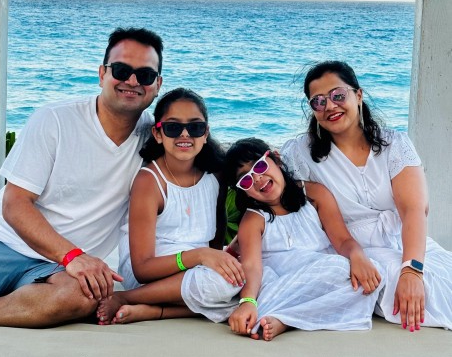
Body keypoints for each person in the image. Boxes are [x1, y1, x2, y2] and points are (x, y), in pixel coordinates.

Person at [0, 27, 163, 328]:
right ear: (101, 74)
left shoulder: (157, 137)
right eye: (121, 70)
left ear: (157, 84)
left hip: (61, 270)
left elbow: (202, 164)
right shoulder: (55, 119)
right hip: (4, 245)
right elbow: (15, 203)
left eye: (145, 75)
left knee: (82, 298)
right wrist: (73, 256)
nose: (133, 81)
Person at [282, 60, 452, 333]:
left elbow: (414, 211)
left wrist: (412, 269)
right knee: (408, 288)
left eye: (339, 95)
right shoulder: (301, 153)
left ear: (358, 95)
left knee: (437, 282)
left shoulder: (394, 145)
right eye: (318, 101)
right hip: (352, 250)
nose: (330, 106)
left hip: (406, 242)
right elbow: (271, 182)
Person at [97, 88, 244, 325]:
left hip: (199, 270)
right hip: (153, 275)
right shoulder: (150, 181)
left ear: (205, 133)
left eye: (195, 127)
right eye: (173, 127)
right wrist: (201, 256)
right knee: (225, 284)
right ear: (158, 134)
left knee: (255, 279)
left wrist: (215, 259)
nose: (185, 134)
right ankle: (127, 297)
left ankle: (155, 311)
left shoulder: (215, 175)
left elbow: (216, 239)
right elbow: (142, 268)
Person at [224, 138, 383, 341]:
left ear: (277, 159)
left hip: (321, 275)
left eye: (260, 166)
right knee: (336, 269)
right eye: (245, 179)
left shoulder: (314, 194)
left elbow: (342, 240)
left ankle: (285, 318)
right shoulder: (254, 219)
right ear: (242, 190)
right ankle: (269, 313)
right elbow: (252, 266)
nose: (257, 179)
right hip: (283, 282)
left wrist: (358, 257)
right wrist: (247, 301)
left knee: (371, 275)